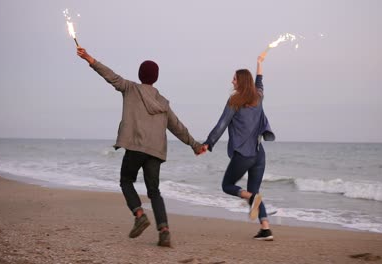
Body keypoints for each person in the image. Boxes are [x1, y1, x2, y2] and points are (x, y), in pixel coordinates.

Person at [77, 47, 205, 247]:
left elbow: (109, 75)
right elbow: (177, 127)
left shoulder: (130, 88)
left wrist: (89, 59)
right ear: (156, 78)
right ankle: (164, 231)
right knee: (154, 191)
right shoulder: (162, 102)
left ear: (140, 75)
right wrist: (195, 145)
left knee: (126, 181)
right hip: (155, 151)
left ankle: (139, 215)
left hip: (136, 146)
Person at [203, 52, 275, 241]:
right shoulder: (258, 97)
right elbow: (259, 83)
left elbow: (221, 124)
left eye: (235, 78)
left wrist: (208, 143)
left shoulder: (234, 101)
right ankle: (266, 228)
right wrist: (259, 63)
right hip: (259, 155)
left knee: (227, 185)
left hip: (244, 155)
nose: (232, 81)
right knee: (254, 192)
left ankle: (250, 199)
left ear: (241, 82)